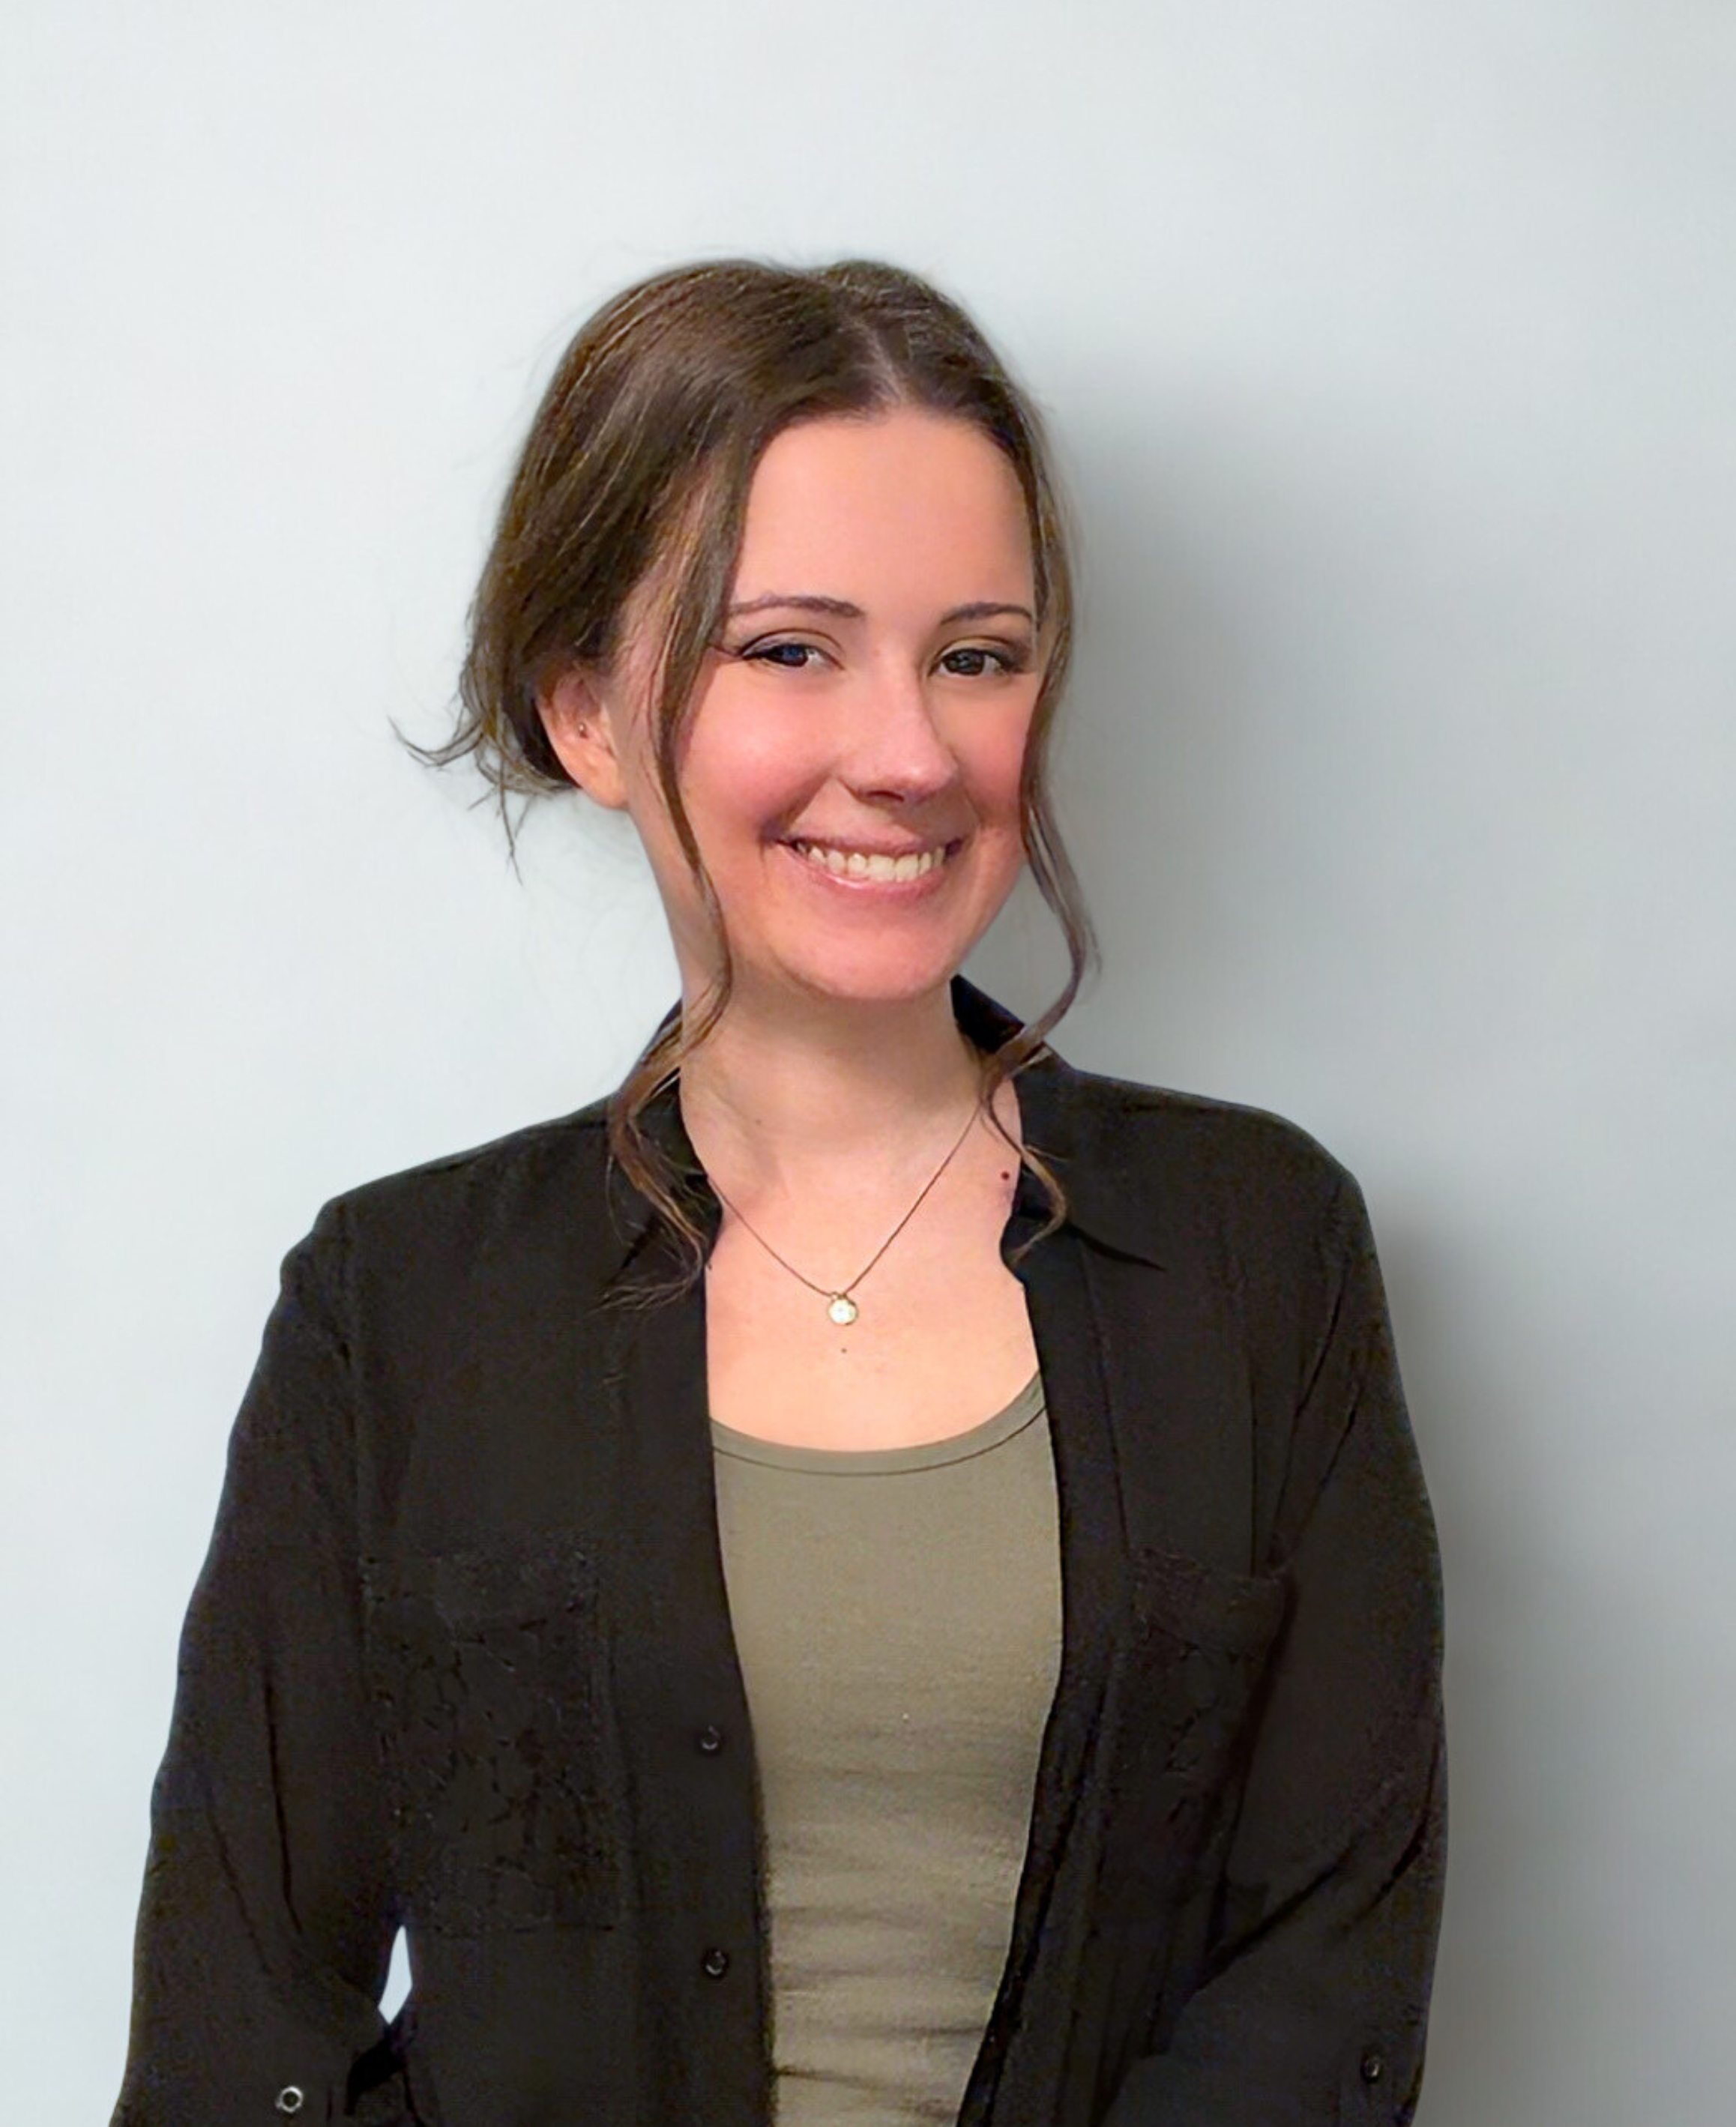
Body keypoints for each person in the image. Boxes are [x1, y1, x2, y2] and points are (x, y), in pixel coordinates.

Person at [111, 258, 1447, 2127]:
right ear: (589, 709)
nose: (907, 754)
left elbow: (1318, 2002)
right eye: (790, 648)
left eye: (975, 654)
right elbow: (235, 2031)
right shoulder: (394, 1307)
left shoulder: (1257, 1252)